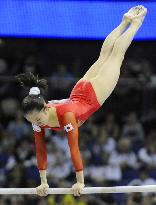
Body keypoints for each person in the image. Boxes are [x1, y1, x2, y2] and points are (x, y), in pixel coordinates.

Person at [16, 6, 147, 197]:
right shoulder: (38, 118)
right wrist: (43, 182)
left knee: (116, 57)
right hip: (79, 90)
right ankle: (124, 22)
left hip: (92, 94)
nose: (37, 125)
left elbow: (74, 148)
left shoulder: (66, 116)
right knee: (104, 56)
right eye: (32, 122)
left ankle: (134, 23)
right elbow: (40, 149)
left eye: (37, 120)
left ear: (45, 108)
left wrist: (80, 181)